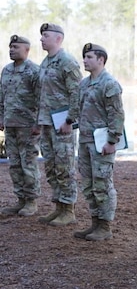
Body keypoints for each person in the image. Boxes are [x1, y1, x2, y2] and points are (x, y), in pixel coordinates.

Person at [73, 43, 125, 241]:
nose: (85, 60)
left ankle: (105, 226)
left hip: (102, 143)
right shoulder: (84, 84)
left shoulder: (109, 83)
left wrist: (112, 140)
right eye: (84, 57)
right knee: (89, 183)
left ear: (101, 60)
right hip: (86, 140)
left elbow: (117, 114)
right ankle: (95, 222)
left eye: (89, 57)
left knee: (102, 183)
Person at [37, 23, 82, 226]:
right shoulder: (45, 63)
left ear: (58, 38)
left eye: (45, 35)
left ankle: (69, 209)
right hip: (47, 122)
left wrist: (70, 120)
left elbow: (76, 93)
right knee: (51, 166)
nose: (41, 39)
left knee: (64, 167)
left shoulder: (67, 61)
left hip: (62, 123)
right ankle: (58, 206)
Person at [0, 35, 41, 216]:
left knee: (28, 163)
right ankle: (20, 199)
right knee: (14, 164)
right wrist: (1, 117)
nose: (11, 49)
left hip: (27, 126)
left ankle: (31, 201)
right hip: (10, 124)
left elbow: (41, 99)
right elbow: (2, 96)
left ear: (26, 49)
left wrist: (38, 123)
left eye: (15, 46)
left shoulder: (34, 71)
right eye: (10, 47)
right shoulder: (6, 70)